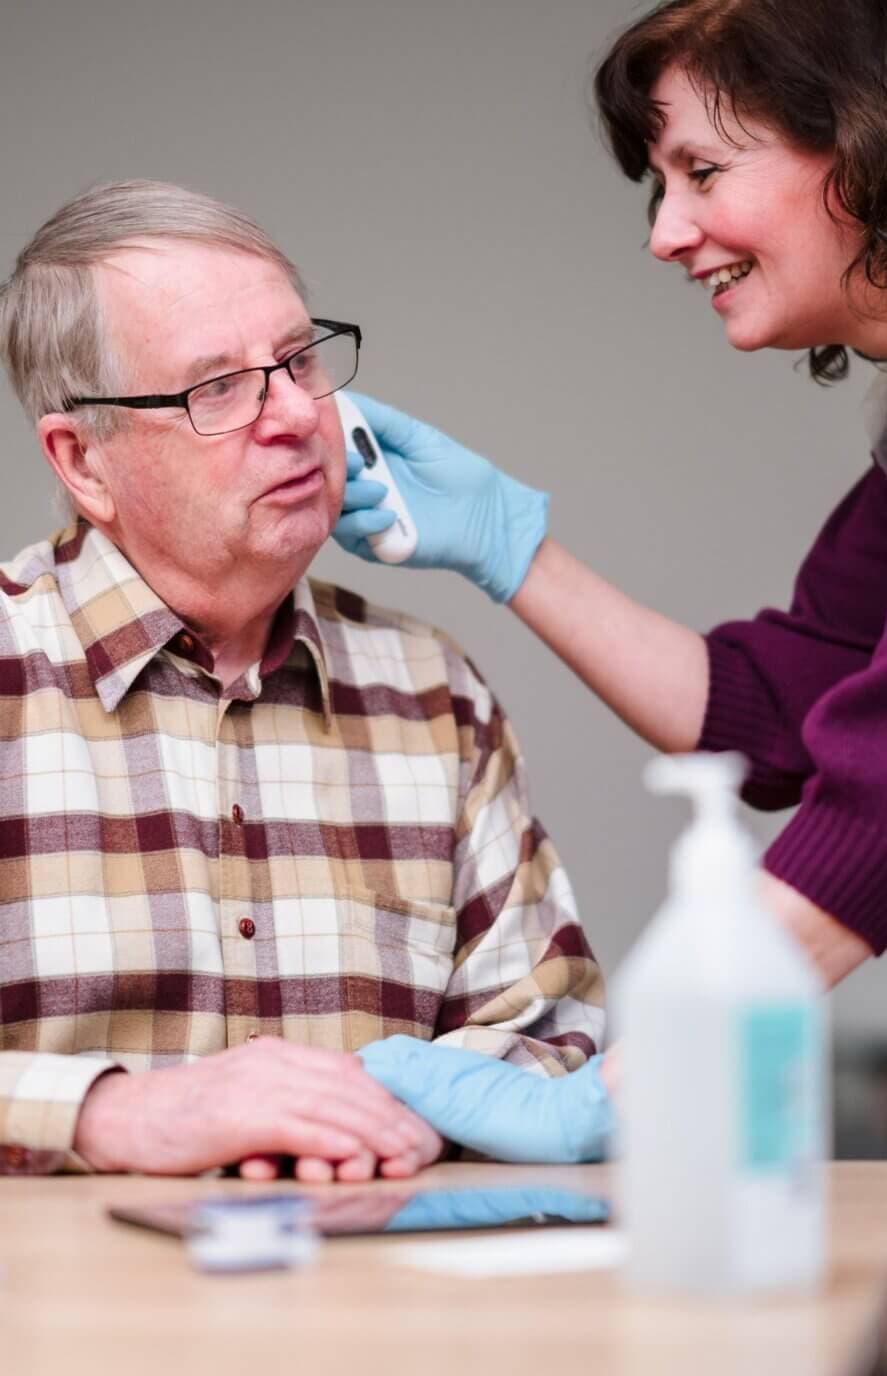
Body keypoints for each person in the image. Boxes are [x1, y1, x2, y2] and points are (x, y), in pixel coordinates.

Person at [333, 0, 887, 1160]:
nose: (664, 232)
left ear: (869, 141)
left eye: (702, 168)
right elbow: (787, 707)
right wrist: (512, 548)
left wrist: (639, 1079)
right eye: (661, 184)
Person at [0, 180, 605, 1180]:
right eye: (217, 389)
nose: (292, 415)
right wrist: (116, 1114)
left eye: (297, 360)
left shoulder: (432, 692)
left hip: (367, 1317)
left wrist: (411, 1114)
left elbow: (546, 1026)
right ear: (83, 460)